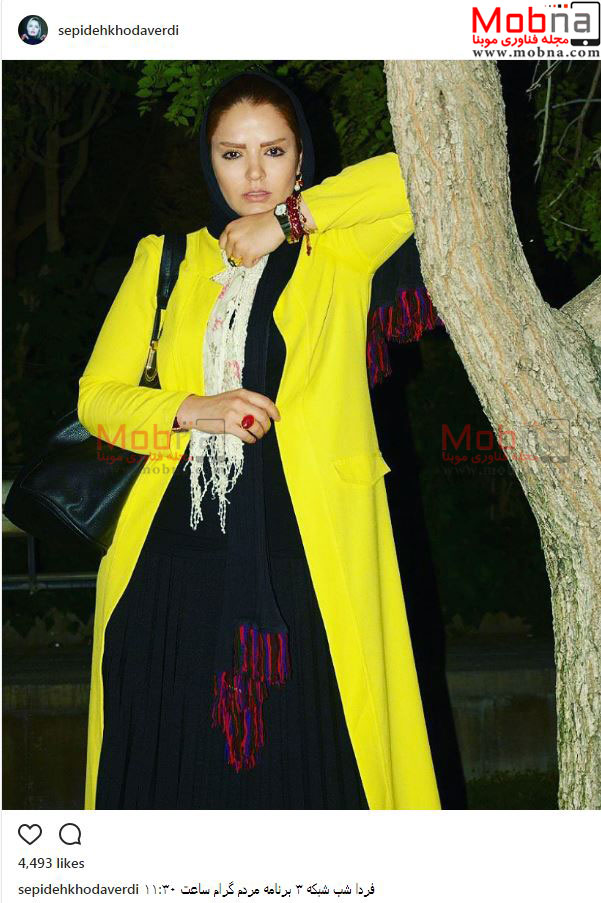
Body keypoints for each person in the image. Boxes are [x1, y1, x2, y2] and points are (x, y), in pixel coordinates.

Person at [78, 69, 442, 810]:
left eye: (273, 151)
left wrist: (292, 220)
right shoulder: (166, 260)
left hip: (307, 556)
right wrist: (193, 408)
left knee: (314, 767)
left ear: (300, 157)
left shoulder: (339, 249)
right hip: (170, 567)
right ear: (207, 161)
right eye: (231, 154)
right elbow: (97, 400)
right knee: (171, 772)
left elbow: (432, 168)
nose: (252, 174)